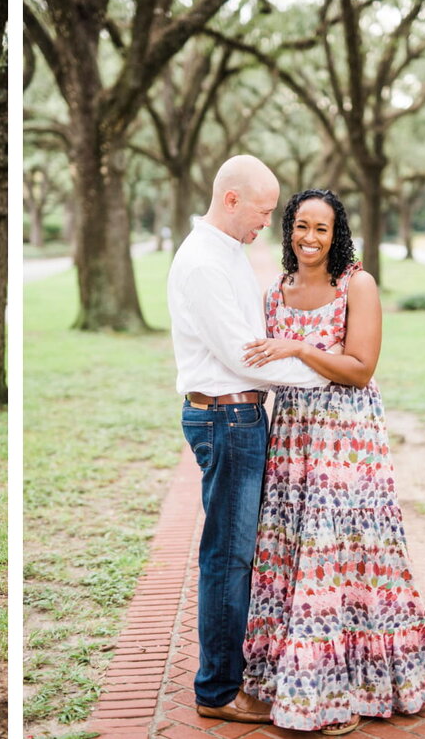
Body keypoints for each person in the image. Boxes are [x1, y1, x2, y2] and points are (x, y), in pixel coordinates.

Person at [240, 189, 425, 735]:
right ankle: (296, 679)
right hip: (291, 440)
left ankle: (350, 690)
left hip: (346, 440)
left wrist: (296, 348)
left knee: (346, 557)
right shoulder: (276, 292)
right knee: (295, 553)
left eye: (322, 229)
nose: (310, 238)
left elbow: (359, 367)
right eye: (301, 226)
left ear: (338, 235)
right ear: (288, 229)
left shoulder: (356, 283)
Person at [167, 155, 331, 724]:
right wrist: (328, 371)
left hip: (239, 418)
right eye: (263, 211)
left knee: (236, 554)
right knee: (228, 559)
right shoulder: (205, 263)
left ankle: (225, 678)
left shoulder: (227, 253)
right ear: (232, 199)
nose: (269, 223)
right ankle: (216, 692)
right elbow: (247, 358)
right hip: (227, 419)